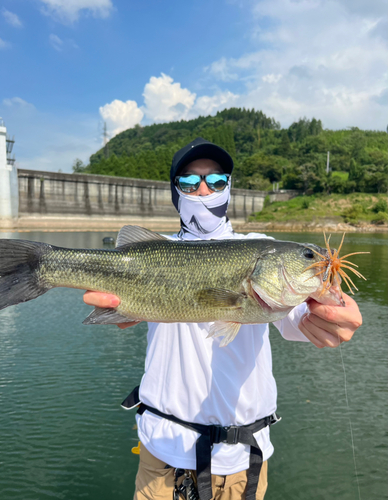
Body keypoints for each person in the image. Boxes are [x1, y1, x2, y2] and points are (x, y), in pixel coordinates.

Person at [83, 138, 362, 500]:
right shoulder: (154, 251)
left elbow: (296, 315)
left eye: (216, 181)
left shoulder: (263, 247)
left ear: (228, 188)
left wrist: (327, 315)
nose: (203, 189)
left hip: (242, 463)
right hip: (162, 455)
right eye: (189, 181)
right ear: (175, 191)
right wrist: (124, 308)